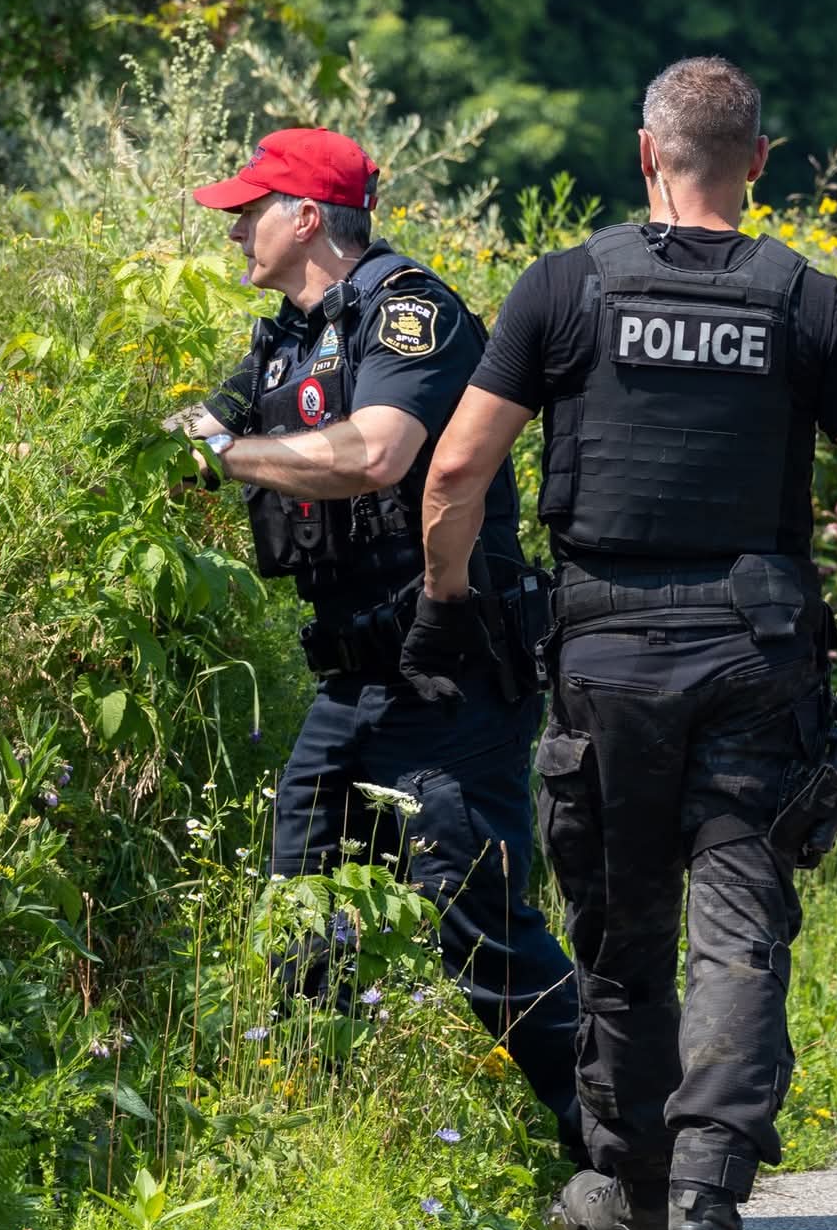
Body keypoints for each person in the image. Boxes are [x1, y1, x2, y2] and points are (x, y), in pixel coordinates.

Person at [404, 58, 837, 1230]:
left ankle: (637, 1193)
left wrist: (446, 605)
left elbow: (453, 476)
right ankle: (706, 1208)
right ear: (758, 162)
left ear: (643, 152)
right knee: (738, 928)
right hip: (755, 658)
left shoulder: (562, 288)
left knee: (620, 936)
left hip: (601, 654)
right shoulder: (808, 302)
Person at [173, 127, 584, 1167]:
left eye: (247, 209)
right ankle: (311, 1146)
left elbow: (376, 452)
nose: (233, 227)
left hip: (448, 672)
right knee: (300, 912)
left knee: (476, 919)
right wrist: (173, 443)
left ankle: (622, 1141)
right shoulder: (284, 336)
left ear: (305, 217)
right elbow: (199, 435)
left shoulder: (412, 312)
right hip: (350, 681)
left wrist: (230, 457)